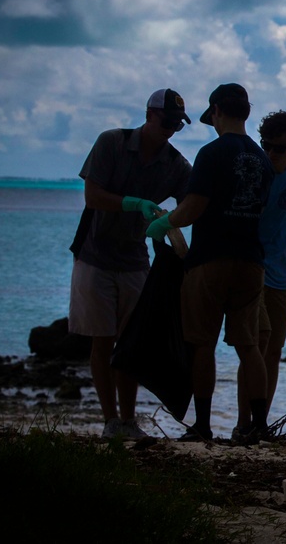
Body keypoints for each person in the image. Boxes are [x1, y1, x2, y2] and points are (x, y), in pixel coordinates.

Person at [146, 83, 274, 443]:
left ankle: (203, 426)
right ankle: (258, 425)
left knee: (203, 343)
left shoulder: (211, 153)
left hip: (210, 261)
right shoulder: (262, 159)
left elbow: (193, 208)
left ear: (216, 111)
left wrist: (164, 222)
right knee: (249, 345)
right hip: (251, 261)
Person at [69, 88, 192, 439]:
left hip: (136, 259)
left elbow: (193, 202)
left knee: (132, 343)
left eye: (177, 124)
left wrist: (169, 222)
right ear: (149, 115)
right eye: (167, 121)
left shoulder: (176, 165)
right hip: (94, 257)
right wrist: (134, 204)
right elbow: (92, 196)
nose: (170, 129)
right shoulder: (111, 143)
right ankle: (110, 422)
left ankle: (128, 420)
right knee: (102, 340)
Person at [234, 110, 286, 439]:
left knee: (272, 351)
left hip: (280, 274)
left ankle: (259, 425)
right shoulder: (252, 171)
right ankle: (243, 423)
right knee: (252, 347)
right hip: (248, 268)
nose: (271, 153)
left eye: (278, 148)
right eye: (266, 146)